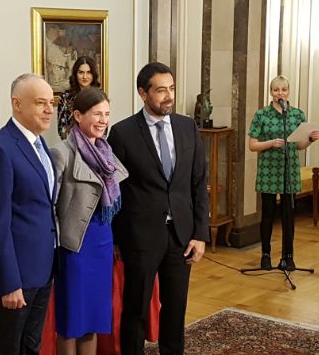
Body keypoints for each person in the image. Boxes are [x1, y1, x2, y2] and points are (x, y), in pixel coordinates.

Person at [107, 62, 209, 355]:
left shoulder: (187, 127)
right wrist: (117, 239)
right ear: (143, 93)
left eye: (172, 88)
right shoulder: (122, 133)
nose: (169, 96)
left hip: (181, 236)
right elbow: (114, 193)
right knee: (135, 310)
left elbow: (198, 182)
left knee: (176, 309)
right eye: (161, 90)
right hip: (140, 238)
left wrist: (200, 234)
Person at [0, 73, 58, 355]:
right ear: (17, 104)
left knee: (31, 346)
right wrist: (9, 282)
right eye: (40, 103)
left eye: (51, 103)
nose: (49, 110)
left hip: (43, 268)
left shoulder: (40, 144)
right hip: (18, 276)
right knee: (7, 348)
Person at [50, 87, 128, 355]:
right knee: (71, 321)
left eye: (106, 114)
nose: (103, 120)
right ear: (77, 115)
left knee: (94, 318)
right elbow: (50, 205)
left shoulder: (107, 153)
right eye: (97, 114)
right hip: (75, 247)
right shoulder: (61, 152)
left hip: (102, 242)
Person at [248, 74, 319, 272]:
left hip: (289, 172)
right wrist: (271, 143)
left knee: (289, 216)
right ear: (271, 92)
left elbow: (299, 145)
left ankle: (288, 256)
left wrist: (310, 140)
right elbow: (252, 145)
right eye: (276, 90)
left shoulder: (297, 115)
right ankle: (265, 255)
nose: (280, 93)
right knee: (268, 215)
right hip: (268, 171)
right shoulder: (262, 115)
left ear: (289, 91)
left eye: (284, 90)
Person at [57, 56, 101, 139]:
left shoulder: (100, 97)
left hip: (94, 143)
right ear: (75, 74)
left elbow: (103, 124)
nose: (85, 76)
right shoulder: (65, 98)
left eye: (89, 72)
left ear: (93, 74)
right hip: (71, 143)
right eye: (81, 72)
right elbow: (61, 128)